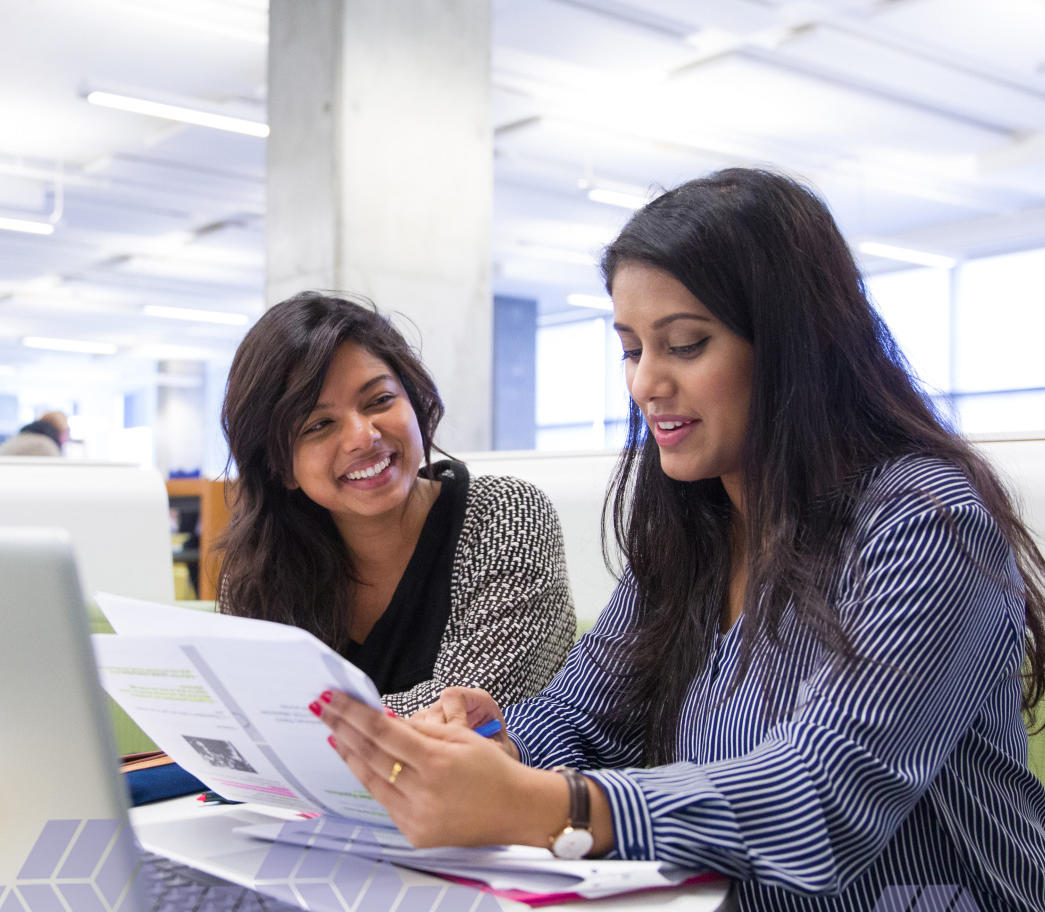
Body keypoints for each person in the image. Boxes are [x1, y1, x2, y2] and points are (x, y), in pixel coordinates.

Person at [313, 170, 1045, 910]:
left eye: (684, 345)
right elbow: (579, 716)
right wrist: (499, 749)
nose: (643, 384)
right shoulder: (691, 527)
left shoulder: (926, 523)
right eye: (631, 350)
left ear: (797, 345)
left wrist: (549, 807)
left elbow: (823, 797)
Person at [218, 291, 575, 715]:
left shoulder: (506, 515)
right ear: (281, 467)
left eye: (380, 400)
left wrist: (295, 722)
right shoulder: (261, 567)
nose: (362, 436)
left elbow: (465, 714)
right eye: (319, 424)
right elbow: (243, 714)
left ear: (414, 400)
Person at [0, 410, 69, 456]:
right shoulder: (44, 445)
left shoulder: (20, 438)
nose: (67, 438)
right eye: (66, 432)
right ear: (59, 431)